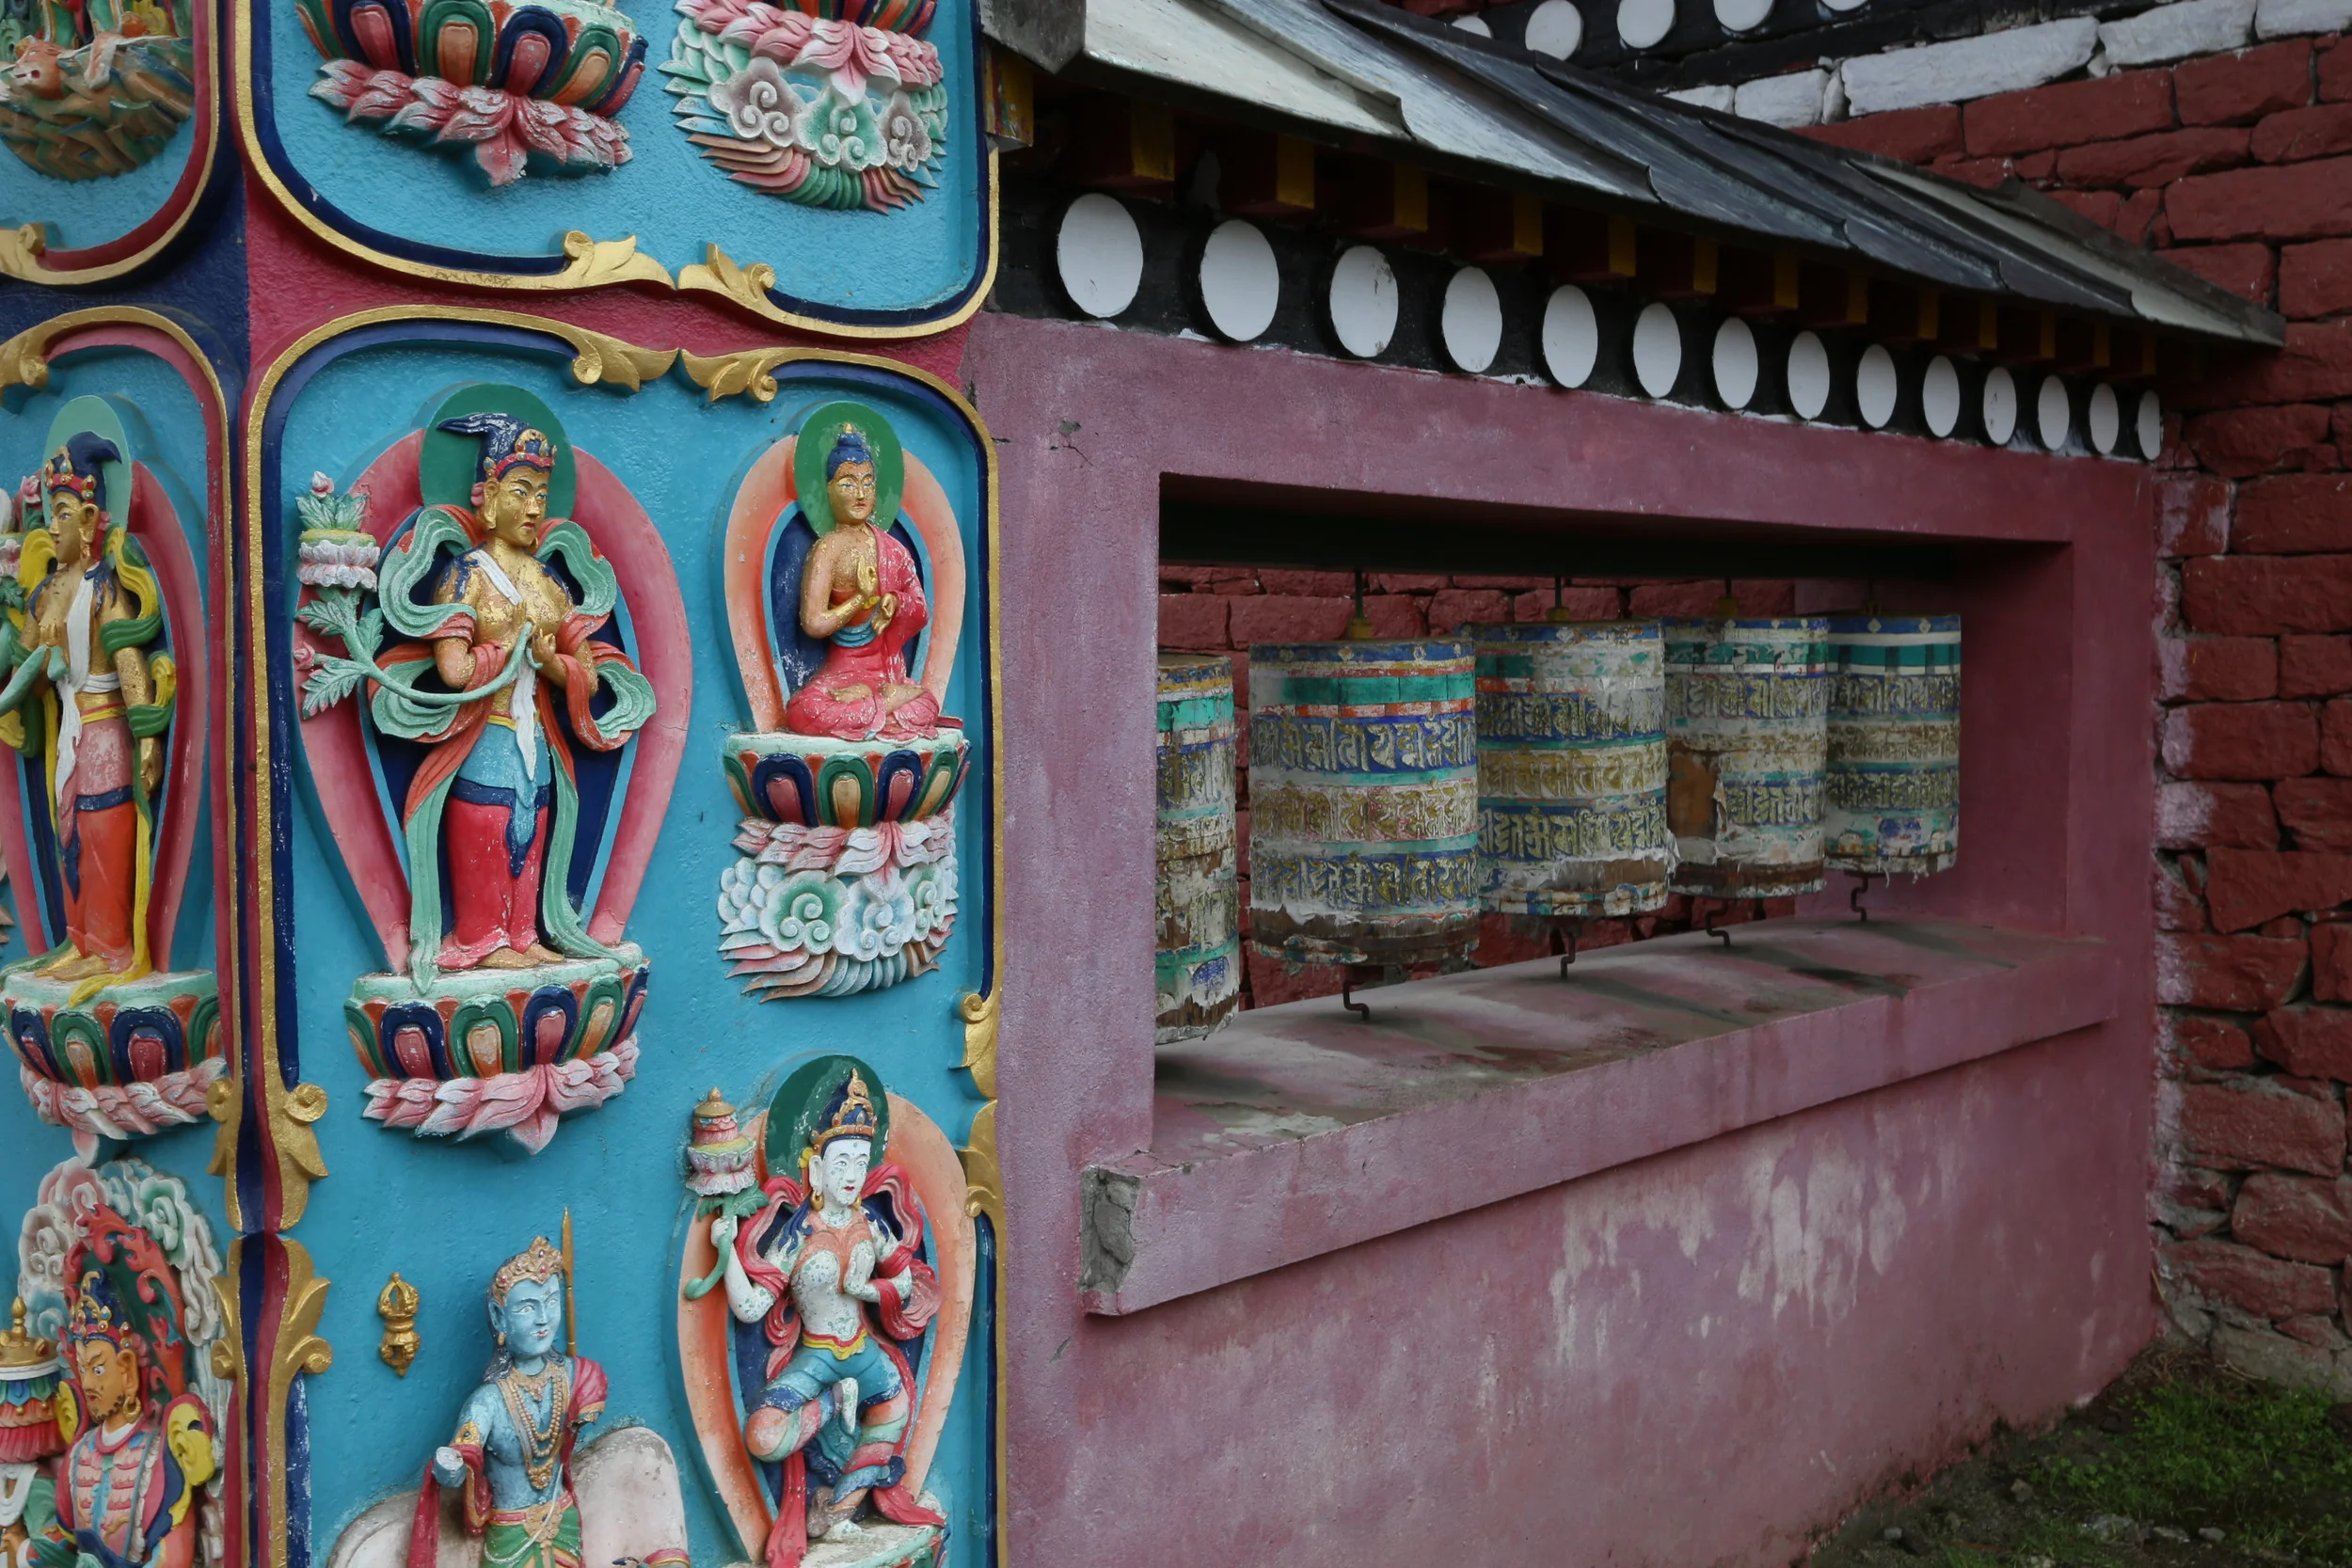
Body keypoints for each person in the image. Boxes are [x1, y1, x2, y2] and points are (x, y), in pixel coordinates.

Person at [714, 1069, 943, 1564]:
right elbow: (750, 1307)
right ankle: (837, 1399)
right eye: (841, 1161)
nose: (852, 1174)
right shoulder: (796, 1234)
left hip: (863, 1350)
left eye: (861, 1161)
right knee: (764, 1437)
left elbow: (907, 1279)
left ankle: (838, 1511)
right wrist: (727, 1252)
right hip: (817, 1359)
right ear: (816, 1170)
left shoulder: (871, 1222)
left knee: (895, 1410)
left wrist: (870, 1289)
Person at [412, 414, 606, 972]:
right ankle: (481, 935)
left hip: (535, 735)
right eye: (520, 491)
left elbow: (589, 676)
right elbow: (453, 669)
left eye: (541, 495)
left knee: (533, 823)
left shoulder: (550, 583)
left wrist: (549, 663)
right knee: (492, 822)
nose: (533, 508)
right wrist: (504, 653)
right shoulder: (466, 576)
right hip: (489, 731)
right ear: (488, 495)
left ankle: (522, 933)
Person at [4, 434, 170, 989]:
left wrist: (147, 736)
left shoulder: (104, 590)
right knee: (70, 837)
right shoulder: (47, 592)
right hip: (69, 737)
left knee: (103, 832)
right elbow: (27, 671)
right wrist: (36, 653)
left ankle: (111, 946)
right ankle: (79, 940)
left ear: (91, 518)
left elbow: (127, 661)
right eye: (52, 515)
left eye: (64, 515)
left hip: (104, 730)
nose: (54, 528)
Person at [415, 1239, 606, 1568]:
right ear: (498, 1317)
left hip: (563, 1521)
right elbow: (460, 1461)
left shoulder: (579, 1377)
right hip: (511, 1534)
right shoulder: (488, 1402)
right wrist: (450, 1468)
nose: (543, 1319)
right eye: (528, 1308)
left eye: (552, 1302)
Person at [782, 429, 939, 742]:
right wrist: (860, 599)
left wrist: (895, 601)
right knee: (802, 711)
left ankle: (875, 703)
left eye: (868, 483)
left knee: (928, 705)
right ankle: (887, 705)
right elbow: (813, 623)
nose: (860, 494)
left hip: (887, 672)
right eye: (848, 483)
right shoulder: (828, 549)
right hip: (842, 673)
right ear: (827, 490)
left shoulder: (894, 549)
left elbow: (921, 610)